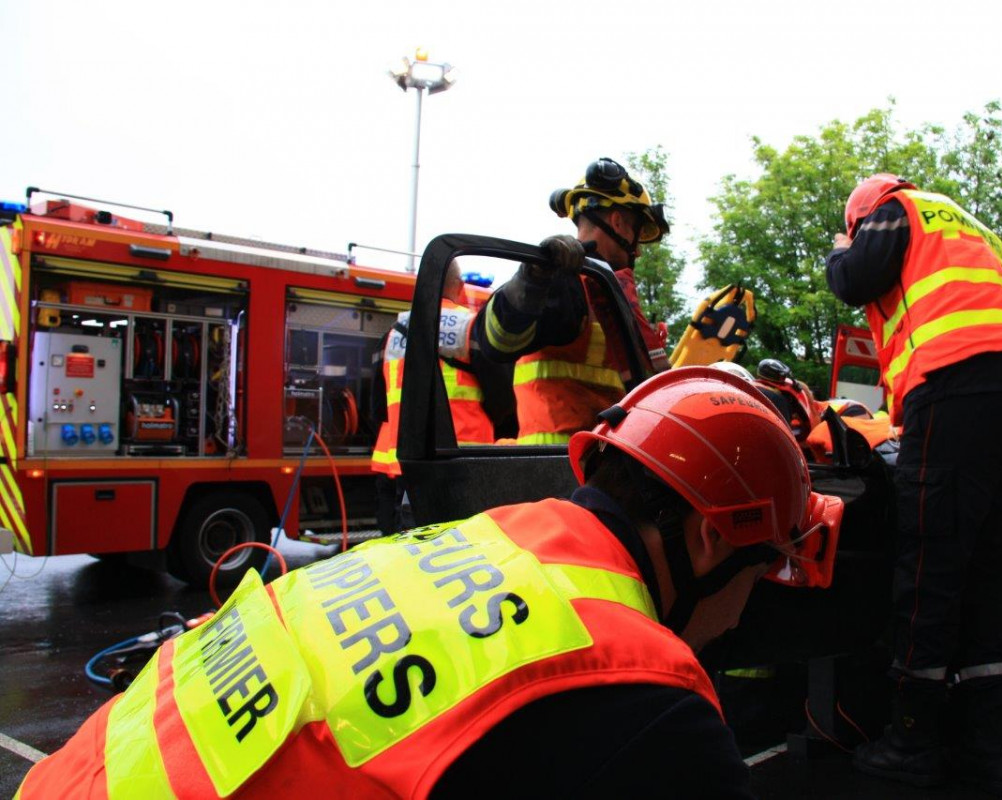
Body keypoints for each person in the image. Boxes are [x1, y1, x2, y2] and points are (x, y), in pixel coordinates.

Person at [17, 367, 843, 799]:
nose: (752, 599)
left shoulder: (470, 543)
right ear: (709, 539)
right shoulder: (646, 695)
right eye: (763, 565)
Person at [826, 174, 1002, 795]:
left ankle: (913, 740)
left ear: (864, 214)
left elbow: (853, 280)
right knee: (982, 570)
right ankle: (991, 752)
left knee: (929, 563)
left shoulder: (894, 211)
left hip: (956, 388)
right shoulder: (974, 230)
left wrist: (840, 250)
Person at [477, 157, 672, 443]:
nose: (638, 252)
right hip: (559, 466)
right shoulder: (564, 284)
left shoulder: (605, 290)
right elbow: (497, 341)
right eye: (636, 234)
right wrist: (532, 279)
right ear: (618, 223)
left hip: (601, 462)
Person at [371, 259, 494, 533]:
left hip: (407, 462)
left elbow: (378, 408)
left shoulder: (393, 333)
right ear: (459, 287)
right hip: (465, 462)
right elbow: (501, 399)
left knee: (410, 550)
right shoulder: (471, 326)